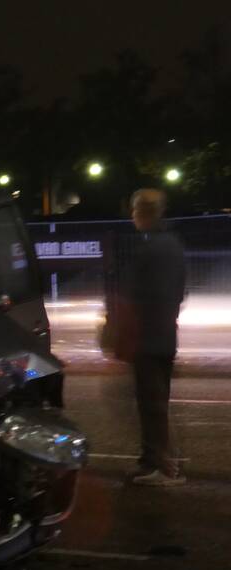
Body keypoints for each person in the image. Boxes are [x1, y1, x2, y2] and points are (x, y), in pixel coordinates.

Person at [102, 188, 186, 486]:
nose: (132, 215)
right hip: (164, 335)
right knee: (156, 401)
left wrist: (121, 329)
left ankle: (157, 464)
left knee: (150, 404)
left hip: (148, 339)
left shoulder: (152, 249)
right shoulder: (173, 245)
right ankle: (162, 459)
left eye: (135, 210)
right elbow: (178, 293)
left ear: (145, 212)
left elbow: (140, 295)